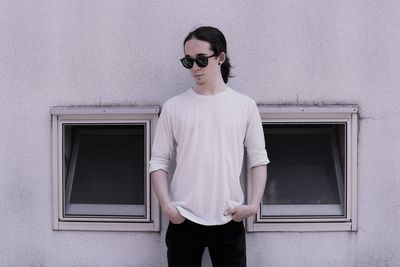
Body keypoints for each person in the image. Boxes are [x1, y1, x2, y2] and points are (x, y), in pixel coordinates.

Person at [149, 26, 269, 267]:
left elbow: (258, 159)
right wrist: (166, 206)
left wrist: (253, 205)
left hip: (229, 219)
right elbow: (158, 161)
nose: (194, 68)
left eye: (201, 60)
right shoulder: (174, 106)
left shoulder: (244, 106)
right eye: (188, 61)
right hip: (184, 219)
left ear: (220, 58)